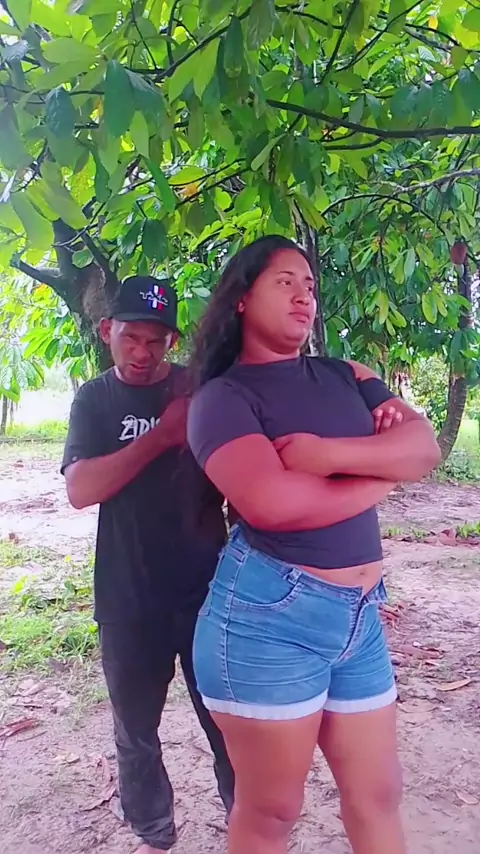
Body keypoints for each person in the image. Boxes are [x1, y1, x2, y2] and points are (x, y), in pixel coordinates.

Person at [186, 235, 441, 854]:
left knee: (378, 793)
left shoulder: (346, 375)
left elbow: (423, 447)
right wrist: (383, 474)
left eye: (309, 285)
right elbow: (273, 504)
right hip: (267, 621)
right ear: (241, 298)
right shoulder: (222, 399)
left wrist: (325, 456)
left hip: (360, 618)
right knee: (273, 811)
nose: (304, 296)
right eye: (285, 282)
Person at [61, 275, 234, 854]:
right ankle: (153, 832)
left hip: (209, 591)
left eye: (155, 341)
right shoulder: (94, 400)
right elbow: (82, 489)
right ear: (106, 330)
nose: (142, 352)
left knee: (229, 723)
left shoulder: (201, 390)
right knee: (135, 732)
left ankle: (250, 823)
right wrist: (161, 437)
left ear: (173, 341)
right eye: (131, 337)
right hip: (128, 595)